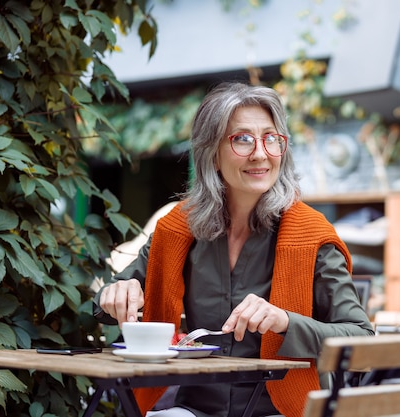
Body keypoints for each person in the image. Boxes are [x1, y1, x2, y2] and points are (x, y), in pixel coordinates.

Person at [93, 82, 375, 417]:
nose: (260, 153)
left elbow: (361, 338)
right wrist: (115, 294)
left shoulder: (311, 234)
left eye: (271, 138)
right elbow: (107, 300)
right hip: (193, 411)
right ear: (212, 152)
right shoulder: (177, 227)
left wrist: (285, 322)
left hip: (282, 411)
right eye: (242, 139)